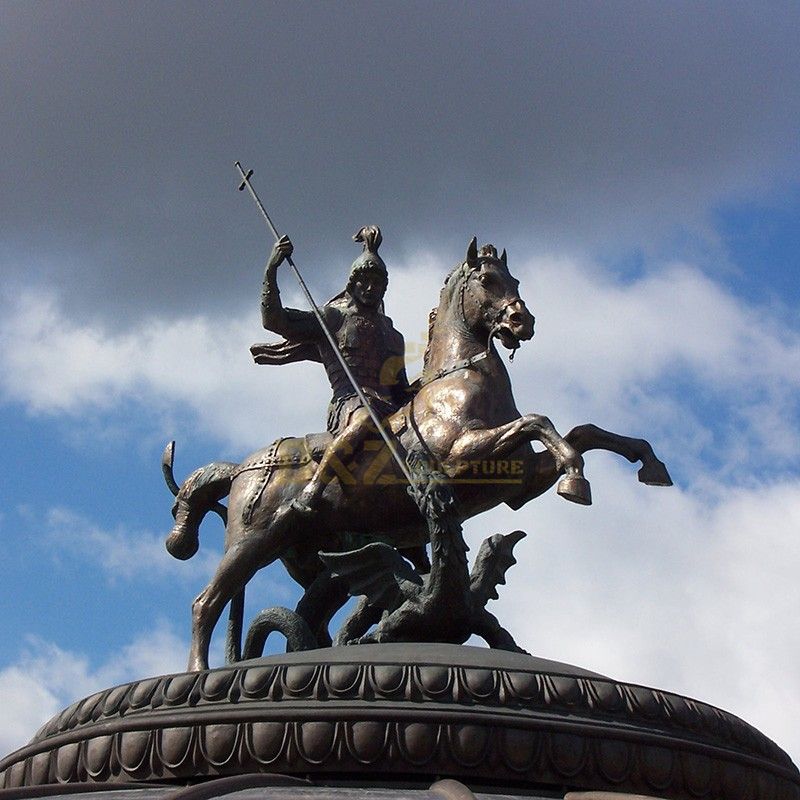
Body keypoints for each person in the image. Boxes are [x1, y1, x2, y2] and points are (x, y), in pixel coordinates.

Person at [251, 225, 411, 516]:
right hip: (350, 403)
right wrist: (271, 270)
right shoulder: (333, 318)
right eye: (365, 281)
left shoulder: (393, 336)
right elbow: (275, 320)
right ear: (352, 283)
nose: (371, 288)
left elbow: (400, 388)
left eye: (378, 283)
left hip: (387, 406)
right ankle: (314, 489)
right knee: (366, 420)